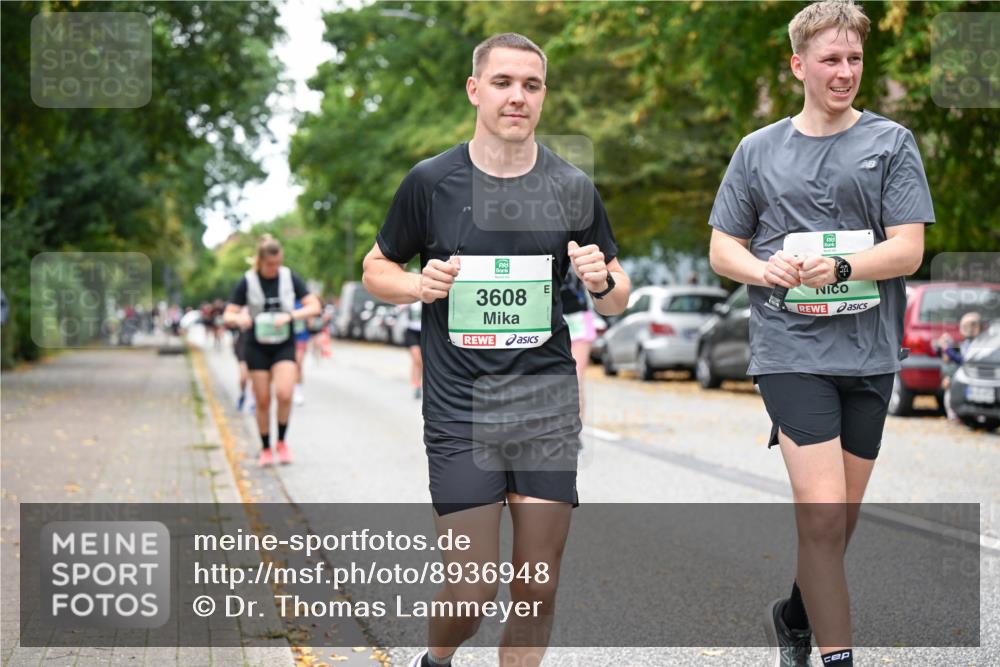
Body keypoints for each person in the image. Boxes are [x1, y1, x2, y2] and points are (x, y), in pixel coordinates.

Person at [362, 33, 630, 667]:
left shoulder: (571, 186)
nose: (518, 97)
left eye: (531, 85)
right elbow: (376, 267)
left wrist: (601, 281)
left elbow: (616, 296)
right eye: (505, 83)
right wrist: (413, 284)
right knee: (475, 588)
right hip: (461, 409)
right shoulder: (431, 182)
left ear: (543, 96)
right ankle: (436, 661)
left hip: (545, 407)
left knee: (536, 589)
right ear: (475, 89)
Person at [707, 2, 934, 666]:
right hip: (789, 349)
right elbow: (724, 247)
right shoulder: (758, 150)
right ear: (798, 64)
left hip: (869, 352)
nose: (844, 72)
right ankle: (836, 655)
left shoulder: (891, 143)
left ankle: (795, 615)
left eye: (855, 60)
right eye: (830, 60)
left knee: (840, 524)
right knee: (824, 517)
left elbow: (909, 250)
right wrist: (764, 268)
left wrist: (841, 266)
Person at [224, 235, 321, 466]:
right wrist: (240, 317)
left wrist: (290, 316)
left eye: (277, 263)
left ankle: (282, 442)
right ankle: (266, 447)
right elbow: (228, 314)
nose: (274, 269)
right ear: (260, 261)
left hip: (283, 344)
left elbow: (314, 306)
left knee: (285, 393)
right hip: (256, 345)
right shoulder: (247, 281)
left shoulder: (289, 277)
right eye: (270, 264)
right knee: (263, 400)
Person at [559, 269, 597, 415]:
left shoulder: (577, 247)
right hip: (549, 318)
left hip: (578, 319)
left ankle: (577, 430)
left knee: (575, 379)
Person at [935, 311, 983, 420]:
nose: (965, 329)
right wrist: (944, 345)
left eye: (969, 326)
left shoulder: (978, 344)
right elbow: (948, 354)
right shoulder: (964, 343)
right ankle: (953, 417)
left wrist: (947, 349)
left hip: (973, 379)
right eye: (963, 326)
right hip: (960, 378)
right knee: (949, 395)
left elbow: (963, 360)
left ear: (978, 328)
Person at [404, 301, 423, 399]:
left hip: (424, 332)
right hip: (412, 332)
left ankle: (418, 384)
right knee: (417, 359)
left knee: (421, 362)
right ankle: (416, 385)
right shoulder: (411, 299)